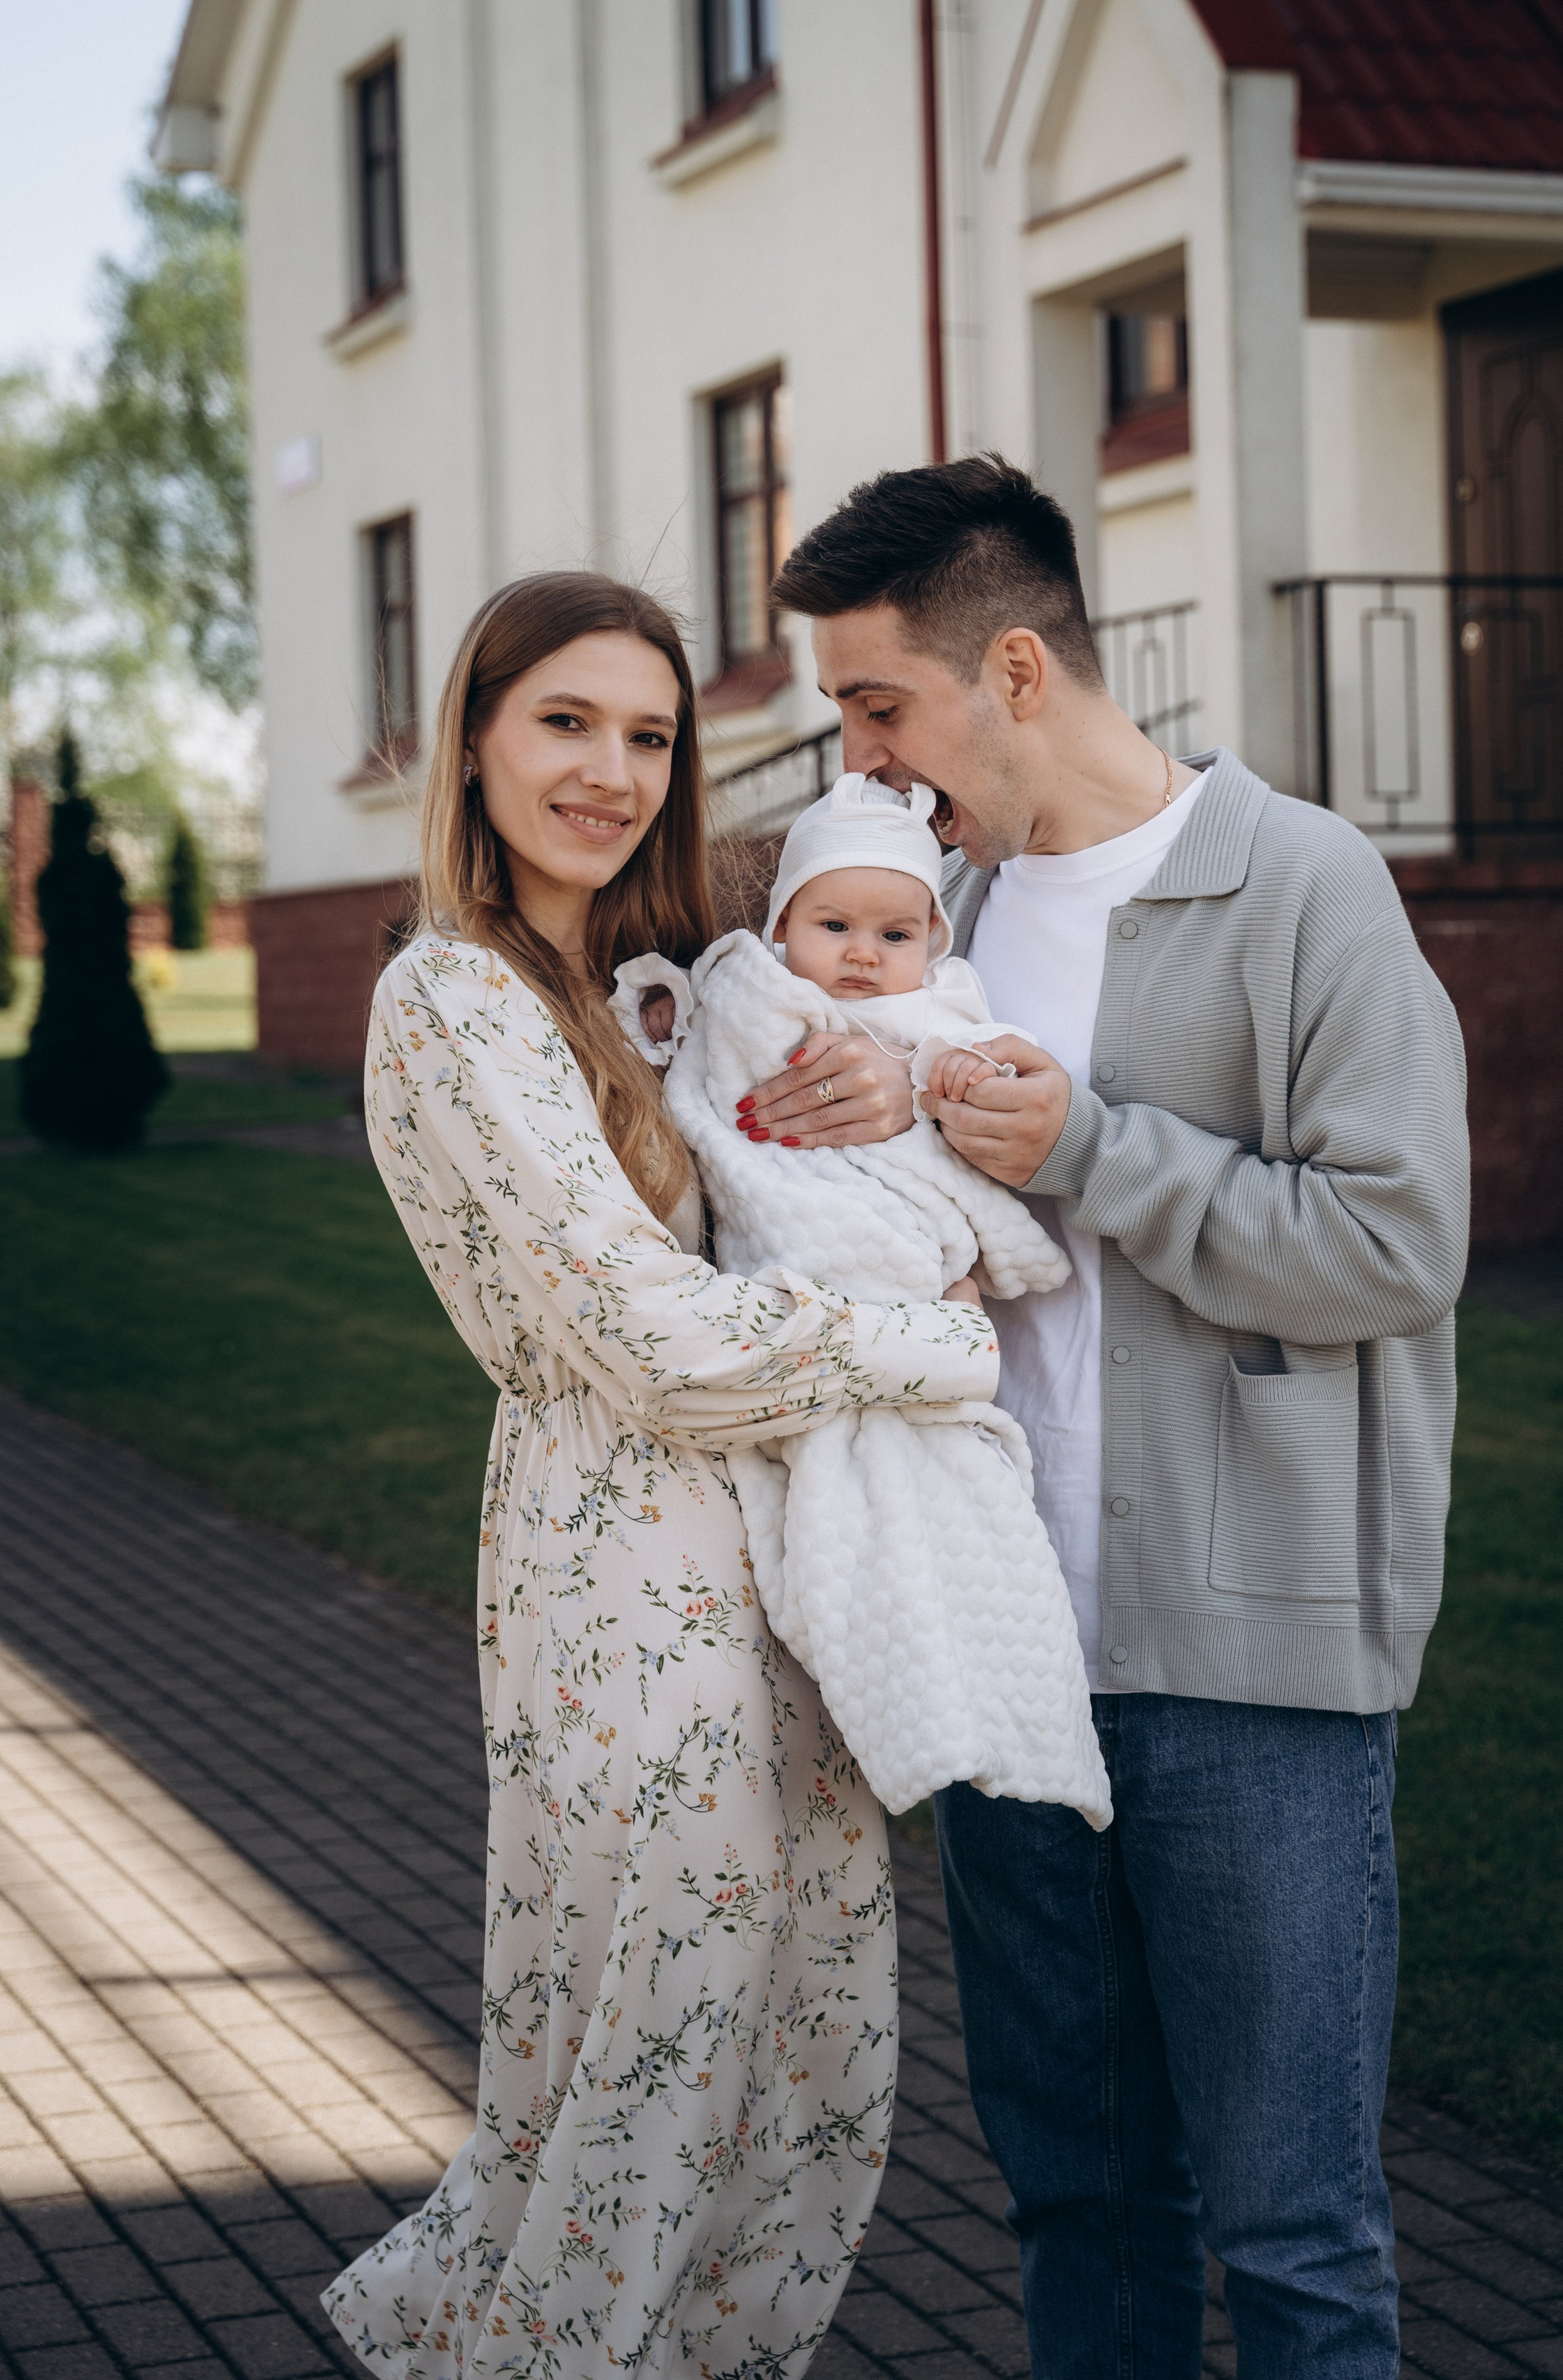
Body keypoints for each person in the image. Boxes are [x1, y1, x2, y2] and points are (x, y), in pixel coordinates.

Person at [757, 457, 1472, 2379]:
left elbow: (1398, 1245)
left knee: (1296, 2236)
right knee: (1084, 2211)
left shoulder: (1298, 881)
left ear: (1010, 669)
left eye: (880, 707)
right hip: (1008, 1665)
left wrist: (1093, 1150)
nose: (871, 762)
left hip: (1251, 1672)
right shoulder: (936, 923)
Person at [320, 573, 999, 2380]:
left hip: (777, 1571)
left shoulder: (641, 998)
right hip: (623, 1580)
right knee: (644, 2078)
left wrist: (874, 1105)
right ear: (472, 739)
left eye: (647, 733)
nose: (612, 769)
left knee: (803, 2059)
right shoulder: (453, 1001)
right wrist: (939, 1348)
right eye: (565, 722)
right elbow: (652, 1338)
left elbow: (799, 1170)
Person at [606, 772, 1109, 1829]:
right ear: (782, 924)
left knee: (964, 1522)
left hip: (906, 1265)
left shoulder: (947, 1013)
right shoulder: (754, 994)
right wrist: (664, 1017)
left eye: (894, 933)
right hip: (800, 1260)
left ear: (932, 937)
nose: (863, 955)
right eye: (833, 924)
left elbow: (973, 1106)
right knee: (848, 1506)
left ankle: (995, 1714)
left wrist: (924, 1083)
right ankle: (916, 1704)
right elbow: (691, 1055)